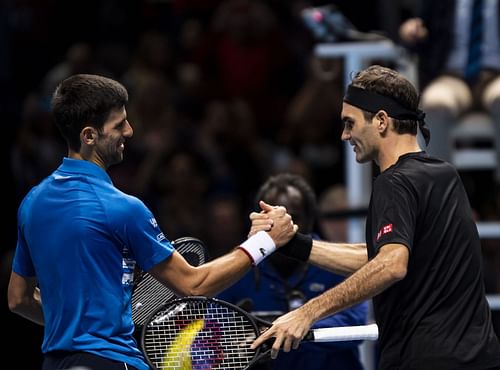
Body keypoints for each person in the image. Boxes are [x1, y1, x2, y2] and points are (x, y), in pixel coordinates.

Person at [6, 74, 297, 370]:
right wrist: (264, 242)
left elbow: (18, 299)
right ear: (89, 136)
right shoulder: (123, 208)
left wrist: (76, 327)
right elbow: (194, 285)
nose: (130, 131)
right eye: (118, 125)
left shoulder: (33, 202)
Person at [250, 65, 500, 369]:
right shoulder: (443, 174)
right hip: (481, 359)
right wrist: (293, 244)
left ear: (381, 121)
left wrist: (307, 312)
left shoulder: (393, 182)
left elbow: (391, 265)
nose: (344, 135)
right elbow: (380, 256)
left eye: (349, 123)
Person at [218, 173, 368, 370]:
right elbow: (213, 330)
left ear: (310, 219)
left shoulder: (339, 260)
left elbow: (355, 323)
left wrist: (291, 329)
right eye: (272, 219)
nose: (282, 227)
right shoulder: (238, 265)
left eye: (292, 218)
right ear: (257, 220)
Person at [397, 0, 500, 183]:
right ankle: (442, 194)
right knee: (435, 103)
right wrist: (412, 31)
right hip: (452, 77)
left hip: (495, 76)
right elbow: (420, 29)